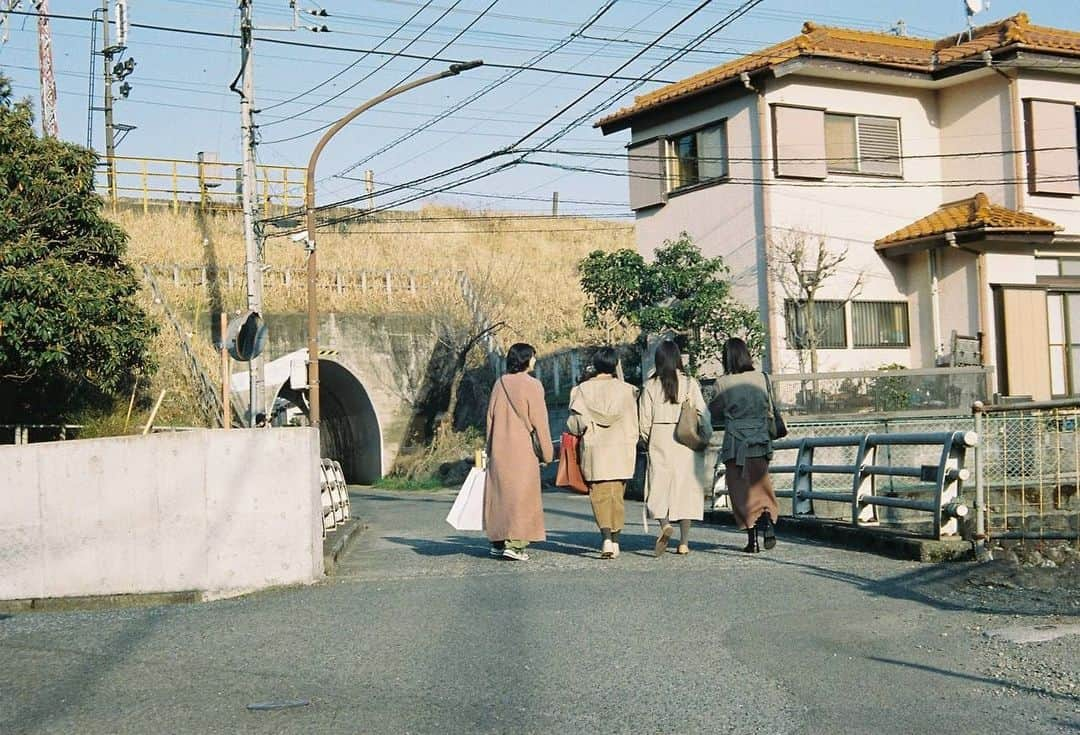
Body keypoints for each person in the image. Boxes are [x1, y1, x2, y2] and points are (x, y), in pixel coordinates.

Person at [639, 340, 712, 556]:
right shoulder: (690, 383)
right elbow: (703, 414)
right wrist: (705, 437)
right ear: (679, 358)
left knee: (658, 486)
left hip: (659, 439)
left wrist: (646, 439)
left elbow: (643, 421)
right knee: (686, 489)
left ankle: (664, 525)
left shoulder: (650, 386)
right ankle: (684, 542)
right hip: (686, 440)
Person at [484, 343, 555, 561]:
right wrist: (547, 453)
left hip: (499, 448)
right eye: (533, 357)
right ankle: (515, 545)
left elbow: (490, 419)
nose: (534, 360)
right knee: (522, 497)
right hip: (522, 450)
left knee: (500, 495)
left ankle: (497, 542)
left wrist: (489, 448)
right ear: (526, 360)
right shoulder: (533, 385)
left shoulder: (500, 383)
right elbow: (539, 422)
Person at [566, 347, 638, 559]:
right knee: (617, 495)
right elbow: (634, 423)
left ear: (595, 365)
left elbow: (575, 424)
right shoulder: (627, 390)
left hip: (596, 449)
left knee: (599, 495)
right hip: (622, 450)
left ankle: (606, 537)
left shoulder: (581, 390)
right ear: (615, 365)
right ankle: (616, 540)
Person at [710, 337, 779, 553]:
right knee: (761, 485)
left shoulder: (722, 383)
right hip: (760, 439)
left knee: (740, 490)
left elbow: (713, 411)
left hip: (736, 443)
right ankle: (766, 516)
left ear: (727, 357)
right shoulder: (763, 378)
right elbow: (770, 406)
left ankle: (753, 540)